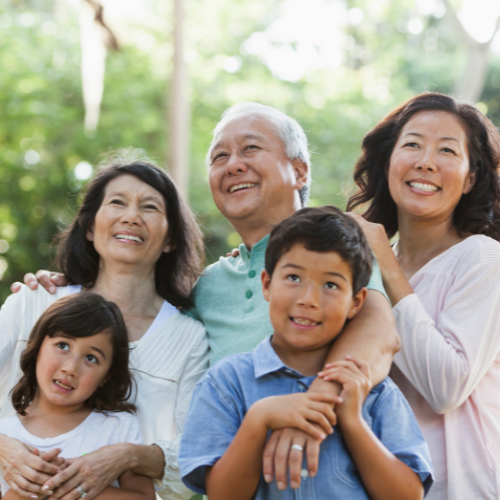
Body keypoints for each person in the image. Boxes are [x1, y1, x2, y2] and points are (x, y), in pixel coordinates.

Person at [15, 103, 401, 488]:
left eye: (250, 148)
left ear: (299, 170)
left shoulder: (338, 253)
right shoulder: (210, 286)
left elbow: (379, 336)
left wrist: (311, 412)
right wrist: (71, 284)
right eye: (219, 156)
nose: (233, 164)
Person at [179, 206, 433, 500]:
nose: (308, 299)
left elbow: (408, 495)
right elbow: (222, 495)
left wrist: (352, 421)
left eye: (330, 285)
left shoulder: (372, 391)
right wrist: (259, 419)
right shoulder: (226, 383)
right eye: (294, 278)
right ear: (266, 284)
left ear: (356, 302)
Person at [0, 155, 208, 500]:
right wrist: (4, 449)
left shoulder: (188, 338)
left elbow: (196, 457)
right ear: (90, 226)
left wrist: (127, 456)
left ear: (171, 238)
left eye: (150, 207)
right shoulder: (34, 301)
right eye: (117, 202)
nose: (131, 216)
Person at [346, 93, 500, 499]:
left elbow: (447, 387)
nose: (426, 161)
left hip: (461, 488)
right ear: (388, 162)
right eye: (412, 144)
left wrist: (386, 263)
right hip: (377, 483)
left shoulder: (483, 258)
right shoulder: (364, 268)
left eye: (447, 150)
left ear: (470, 177)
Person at [0, 293, 155, 500]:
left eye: (91, 358)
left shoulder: (118, 428)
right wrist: (34, 487)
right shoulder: (5, 435)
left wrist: (73, 484)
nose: (71, 368)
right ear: (37, 347)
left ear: (106, 376)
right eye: (63, 345)